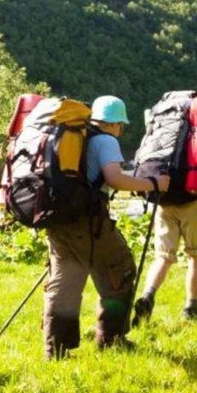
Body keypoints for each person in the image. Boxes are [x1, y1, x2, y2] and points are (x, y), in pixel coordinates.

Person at [41, 95, 168, 358]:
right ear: (116, 124)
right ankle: (112, 340)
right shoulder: (106, 140)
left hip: (57, 217)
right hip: (87, 220)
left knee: (65, 281)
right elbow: (116, 179)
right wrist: (154, 184)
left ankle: (55, 350)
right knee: (119, 271)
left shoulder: (74, 135)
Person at [132, 132, 197, 323]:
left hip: (164, 199)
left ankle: (148, 297)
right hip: (192, 200)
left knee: (163, 256)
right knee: (195, 255)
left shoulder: (164, 129)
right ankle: (191, 308)